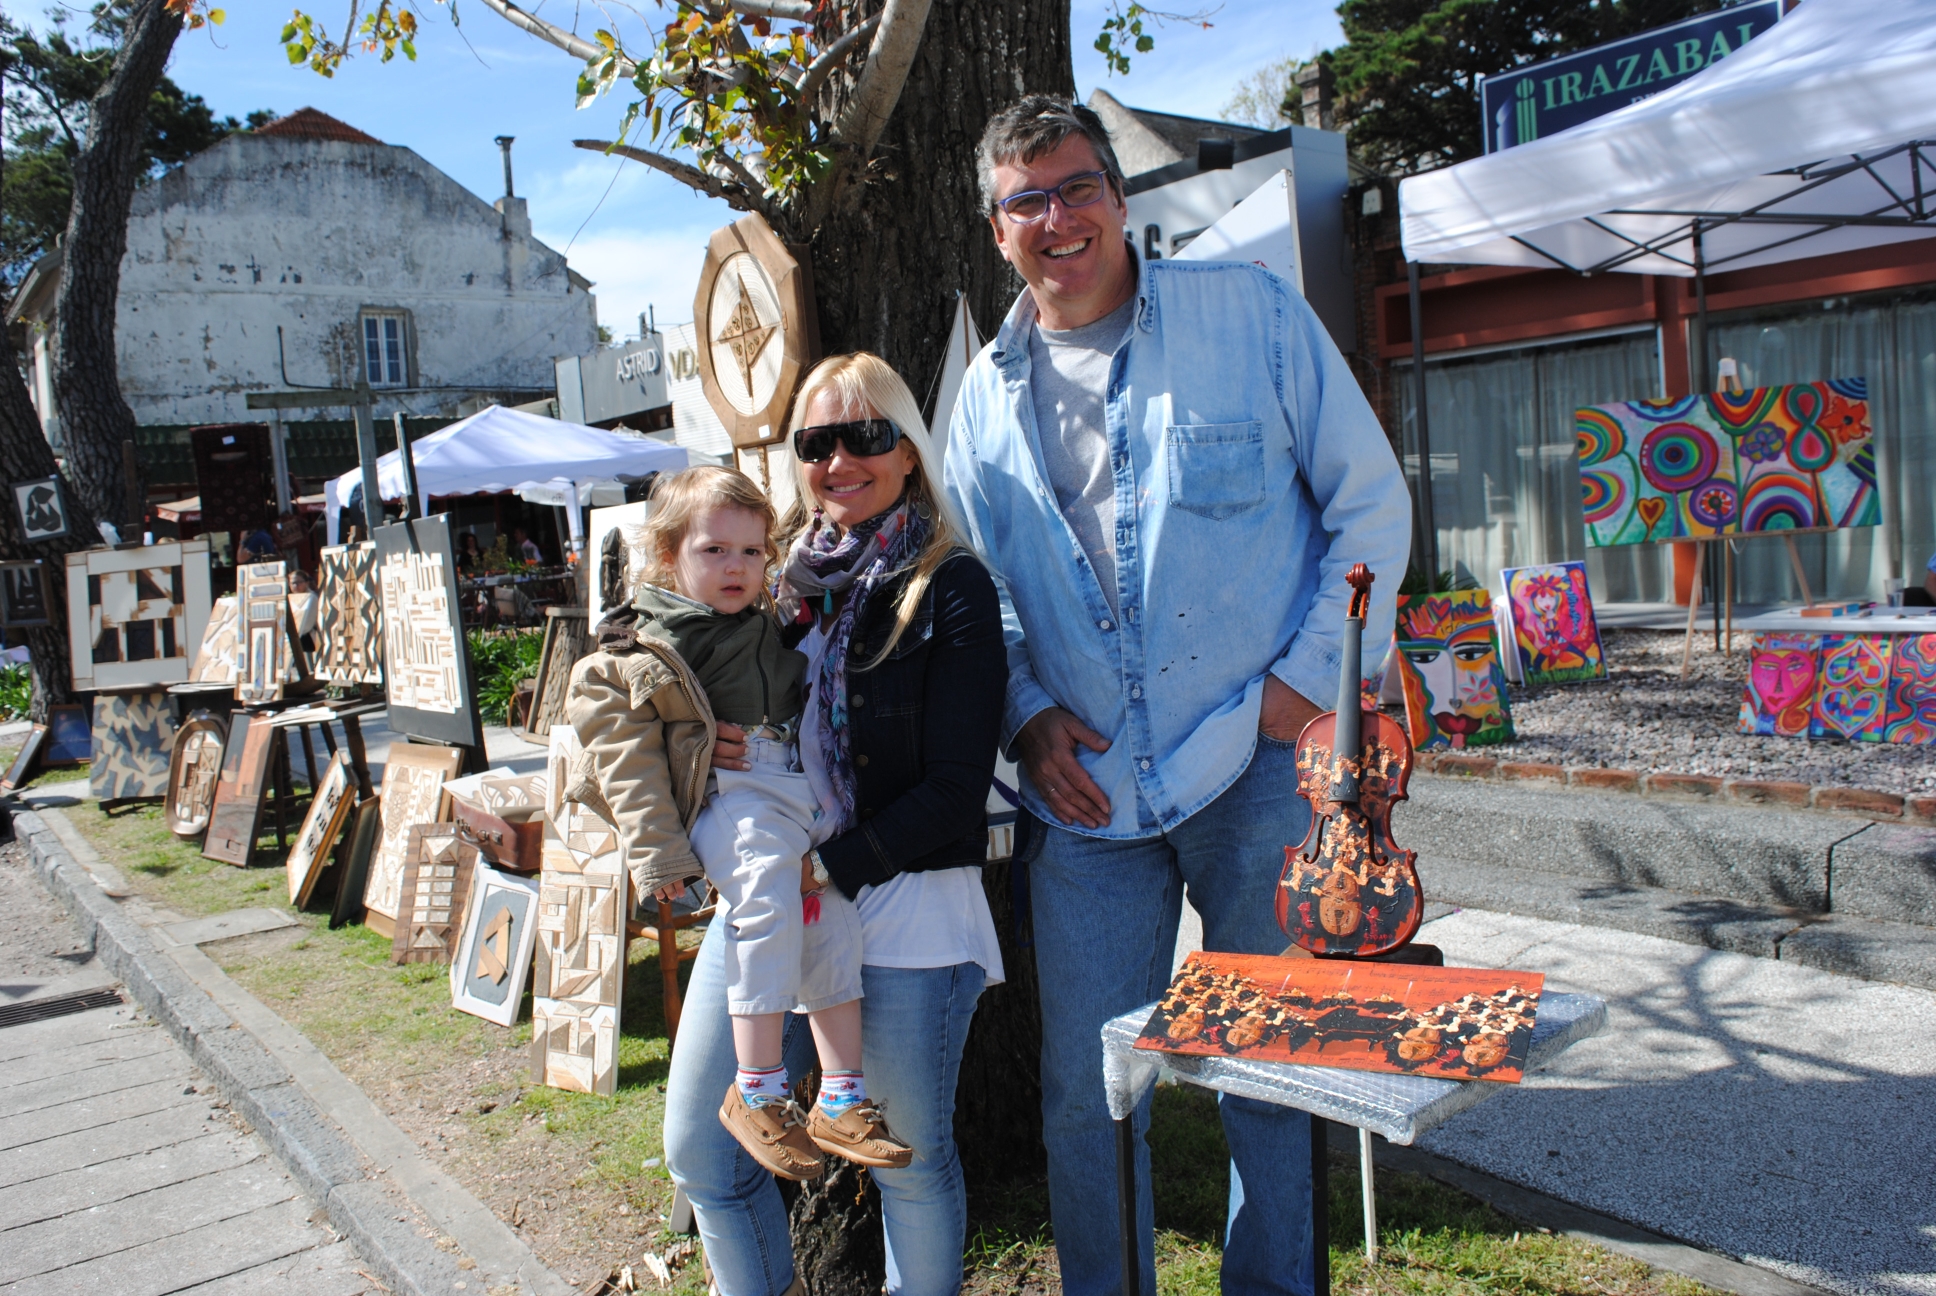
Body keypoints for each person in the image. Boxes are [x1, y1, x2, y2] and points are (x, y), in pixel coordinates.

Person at [942, 96, 1412, 1296]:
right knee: (1085, 1097)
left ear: (1119, 196)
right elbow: (982, 593)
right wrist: (1027, 710)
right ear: (996, 230)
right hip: (1086, 798)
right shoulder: (981, 404)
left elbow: (1367, 505)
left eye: (1079, 186)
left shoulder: (1247, 315)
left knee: (1271, 1071)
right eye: (1027, 200)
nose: (1059, 217)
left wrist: (1303, 688)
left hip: (1256, 768)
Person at [660, 353, 1008, 1296]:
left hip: (899, 898)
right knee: (703, 1153)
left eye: (865, 435)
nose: (840, 458)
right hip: (774, 895)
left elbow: (953, 786)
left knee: (905, 1161)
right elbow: (669, 706)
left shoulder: (950, 585)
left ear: (906, 450)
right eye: (817, 442)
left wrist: (829, 868)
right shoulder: (776, 591)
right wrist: (702, 754)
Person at [569, 466, 914, 1179]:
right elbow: (624, 759)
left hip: (791, 787)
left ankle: (842, 1095)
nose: (736, 567)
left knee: (827, 913)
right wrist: (660, 858)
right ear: (669, 556)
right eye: (714, 551)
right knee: (763, 895)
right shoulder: (647, 644)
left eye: (752, 552)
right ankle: (757, 1089)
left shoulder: (764, 619)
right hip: (730, 793)